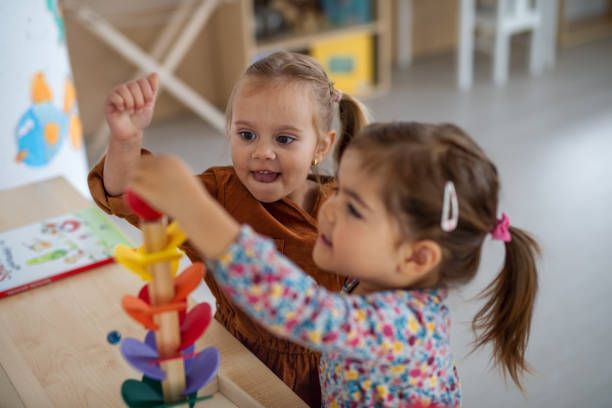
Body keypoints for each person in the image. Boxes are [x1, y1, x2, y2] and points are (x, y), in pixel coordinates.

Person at [127, 121, 540, 407]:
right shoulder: (372, 279)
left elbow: (301, 309)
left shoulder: (403, 325)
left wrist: (196, 210)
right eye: (340, 190)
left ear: (416, 257)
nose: (329, 209)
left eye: (355, 209)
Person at [87, 51, 370, 406]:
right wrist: (126, 140)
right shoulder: (216, 196)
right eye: (247, 134)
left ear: (321, 146)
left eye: (284, 139)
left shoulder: (349, 204)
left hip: (334, 379)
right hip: (238, 363)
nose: (262, 152)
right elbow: (131, 196)